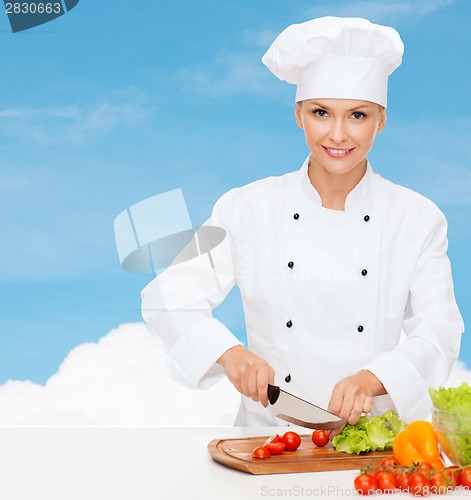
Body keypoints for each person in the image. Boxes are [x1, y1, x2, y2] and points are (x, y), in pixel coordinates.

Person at [141, 17, 464, 432]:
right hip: (268, 436)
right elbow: (167, 295)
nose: (338, 134)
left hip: (371, 441)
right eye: (321, 112)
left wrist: (373, 379)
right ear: (299, 115)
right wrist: (229, 353)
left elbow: (439, 331)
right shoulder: (246, 207)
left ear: (381, 120)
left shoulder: (417, 218)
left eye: (358, 115)